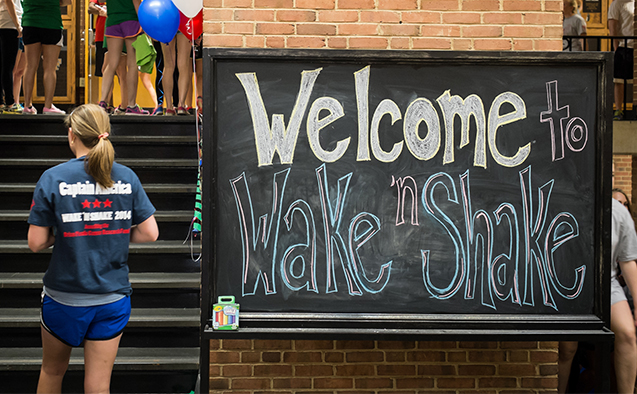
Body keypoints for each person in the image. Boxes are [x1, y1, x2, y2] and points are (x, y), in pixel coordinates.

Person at [27, 103, 159, 392]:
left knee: (51, 371)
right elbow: (150, 233)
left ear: (72, 135)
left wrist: (63, 233)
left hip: (64, 298)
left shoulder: (53, 178)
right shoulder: (127, 178)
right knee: (99, 384)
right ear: (105, 134)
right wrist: (115, 233)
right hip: (111, 299)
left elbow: (36, 242)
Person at [558, 164, 637, 394]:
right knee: (567, 348)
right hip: (569, 283)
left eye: (610, 173)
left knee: (627, 334)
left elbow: (628, 260)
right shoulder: (567, 203)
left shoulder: (619, 212)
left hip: (607, 283)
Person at [98, 0, 148, 115]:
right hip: (131, 21)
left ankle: (102, 102)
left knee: (111, 64)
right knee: (132, 64)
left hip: (112, 21)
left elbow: (100, 1)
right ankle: (131, 105)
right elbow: (136, 3)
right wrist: (145, 26)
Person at [21, 0, 70, 115]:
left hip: (30, 22)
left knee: (30, 66)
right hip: (51, 22)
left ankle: (27, 106)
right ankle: (48, 106)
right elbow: (67, 2)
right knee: (50, 68)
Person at [608, 0, 634, 120]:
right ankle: (619, 109)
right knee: (619, 80)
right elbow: (612, 25)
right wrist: (616, 47)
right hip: (625, 46)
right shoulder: (617, 3)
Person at [161, 32, 192, 115]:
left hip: (166, 21)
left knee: (168, 66)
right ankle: (181, 105)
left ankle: (169, 107)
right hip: (184, 21)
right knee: (183, 65)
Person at [0, 0, 22, 113]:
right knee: (7, 66)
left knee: (3, 66)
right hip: (9, 24)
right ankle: (9, 103)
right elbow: (9, 1)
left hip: (3, 22)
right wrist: (18, 25)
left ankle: (2, 102)